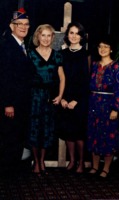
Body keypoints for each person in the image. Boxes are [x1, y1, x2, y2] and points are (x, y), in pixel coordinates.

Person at [0, 8, 34, 176]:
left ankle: (12, 170)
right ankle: (8, 173)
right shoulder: (7, 46)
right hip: (12, 104)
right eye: (19, 24)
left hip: (21, 102)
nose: (23, 27)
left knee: (17, 136)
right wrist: (8, 104)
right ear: (11, 25)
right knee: (10, 137)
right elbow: (4, 77)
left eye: (26, 24)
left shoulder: (21, 45)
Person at [28, 24, 65, 176]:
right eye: (43, 35)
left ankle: (42, 160)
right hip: (34, 97)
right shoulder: (30, 54)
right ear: (38, 37)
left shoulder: (57, 55)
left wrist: (60, 96)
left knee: (47, 131)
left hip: (50, 98)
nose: (45, 38)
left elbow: (62, 78)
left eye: (49, 35)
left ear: (52, 38)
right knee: (34, 130)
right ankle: (36, 162)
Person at [87, 34, 119, 178]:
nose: (102, 49)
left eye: (106, 47)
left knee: (108, 136)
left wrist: (116, 109)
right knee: (93, 134)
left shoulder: (117, 67)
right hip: (93, 104)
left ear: (111, 49)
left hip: (109, 106)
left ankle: (106, 168)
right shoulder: (95, 65)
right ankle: (95, 166)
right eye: (100, 46)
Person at [57, 22, 90, 173]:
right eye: (71, 33)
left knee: (79, 133)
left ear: (82, 36)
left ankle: (81, 163)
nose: (74, 36)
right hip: (65, 98)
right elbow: (59, 78)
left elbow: (88, 80)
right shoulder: (62, 54)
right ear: (67, 35)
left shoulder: (87, 55)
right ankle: (72, 161)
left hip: (80, 99)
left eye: (77, 33)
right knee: (68, 132)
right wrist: (62, 98)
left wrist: (76, 100)